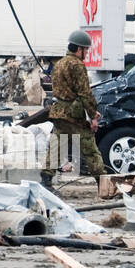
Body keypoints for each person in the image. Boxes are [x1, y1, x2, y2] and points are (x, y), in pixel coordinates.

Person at [45, 29, 106, 186]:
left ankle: (46, 178)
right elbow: (85, 93)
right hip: (73, 115)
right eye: (86, 49)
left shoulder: (59, 64)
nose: (86, 53)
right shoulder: (77, 65)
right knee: (90, 149)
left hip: (59, 113)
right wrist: (93, 116)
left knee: (57, 145)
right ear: (79, 49)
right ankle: (103, 182)